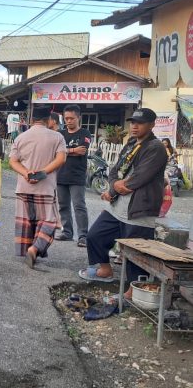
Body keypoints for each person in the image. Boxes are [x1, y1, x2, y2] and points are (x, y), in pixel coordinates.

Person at [78, 108, 168, 292]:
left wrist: (118, 187)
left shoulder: (156, 148)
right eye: (133, 122)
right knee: (95, 235)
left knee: (135, 253)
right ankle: (105, 269)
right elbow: (114, 169)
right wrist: (114, 187)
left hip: (139, 209)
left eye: (140, 123)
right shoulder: (131, 143)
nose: (135, 126)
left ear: (152, 125)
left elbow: (140, 177)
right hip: (118, 206)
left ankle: (133, 290)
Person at [9, 106, 67, 268]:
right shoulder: (57, 137)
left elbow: (13, 161)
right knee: (49, 221)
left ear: (32, 119)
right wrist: (42, 173)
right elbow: (61, 159)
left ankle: (29, 248)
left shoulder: (21, 137)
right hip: (45, 187)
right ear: (49, 120)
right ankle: (35, 248)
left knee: (27, 221)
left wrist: (27, 173)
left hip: (23, 187)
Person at [55, 105, 91, 247]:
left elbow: (82, 151)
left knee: (79, 206)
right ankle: (67, 232)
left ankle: (83, 235)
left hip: (77, 176)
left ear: (78, 118)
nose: (68, 121)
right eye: (66, 118)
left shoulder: (85, 133)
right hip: (61, 175)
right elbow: (56, 152)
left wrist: (66, 151)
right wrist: (73, 150)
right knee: (63, 206)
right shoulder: (60, 134)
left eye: (72, 118)